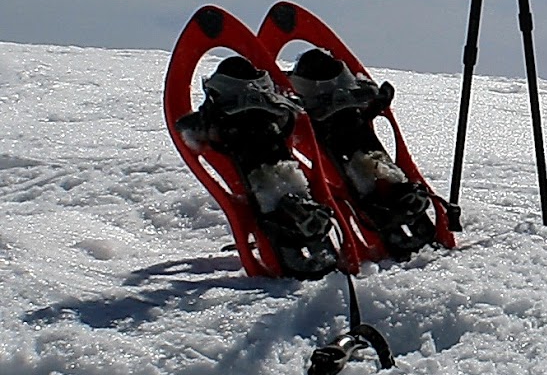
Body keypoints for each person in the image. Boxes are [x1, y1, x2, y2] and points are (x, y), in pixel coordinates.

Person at [175, 55, 339, 279]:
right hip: (271, 157)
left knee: (274, 187)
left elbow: (188, 127)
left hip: (255, 160)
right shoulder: (277, 116)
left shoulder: (218, 119)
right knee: (281, 183)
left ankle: (291, 222)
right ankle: (299, 219)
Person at [288, 48, 436, 257]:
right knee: (364, 171)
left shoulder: (321, 90)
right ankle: (396, 203)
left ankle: (395, 202)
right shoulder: (337, 92)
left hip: (348, 141)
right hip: (344, 143)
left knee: (369, 170)